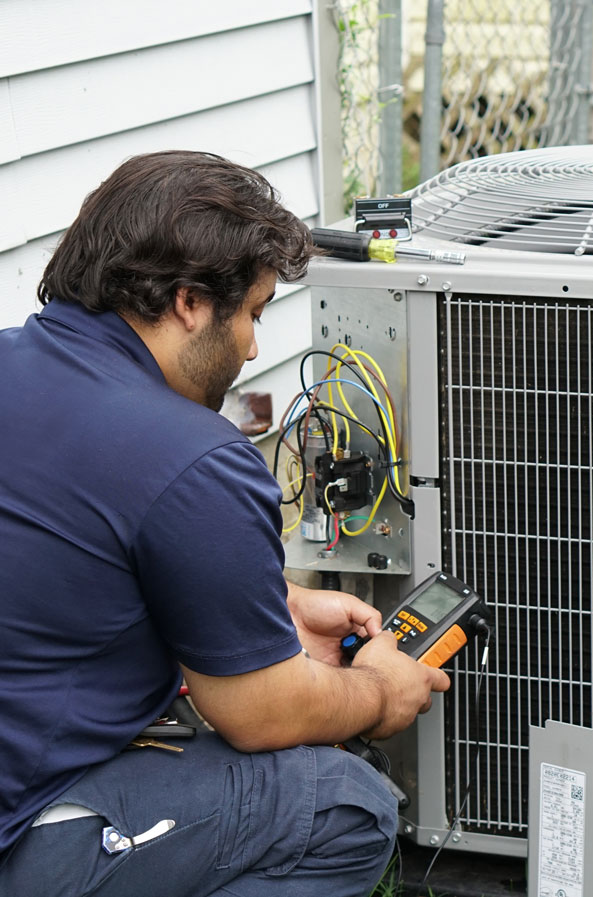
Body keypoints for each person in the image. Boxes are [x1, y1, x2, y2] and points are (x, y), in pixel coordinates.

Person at [0, 150, 450, 896]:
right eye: (253, 313)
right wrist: (378, 690)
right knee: (346, 805)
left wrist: (277, 604)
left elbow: (67, 562)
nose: (252, 347)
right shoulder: (192, 456)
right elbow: (259, 714)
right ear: (189, 302)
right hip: (19, 829)